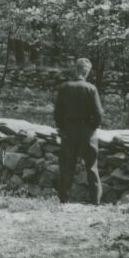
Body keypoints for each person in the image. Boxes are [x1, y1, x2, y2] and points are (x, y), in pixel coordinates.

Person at [52, 57, 104, 204]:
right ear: (87, 72)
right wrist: (94, 126)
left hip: (68, 131)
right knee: (92, 167)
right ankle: (95, 201)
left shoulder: (64, 87)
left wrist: (62, 128)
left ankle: (64, 199)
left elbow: (57, 113)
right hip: (87, 132)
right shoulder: (91, 89)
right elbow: (99, 113)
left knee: (67, 166)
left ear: (76, 69)